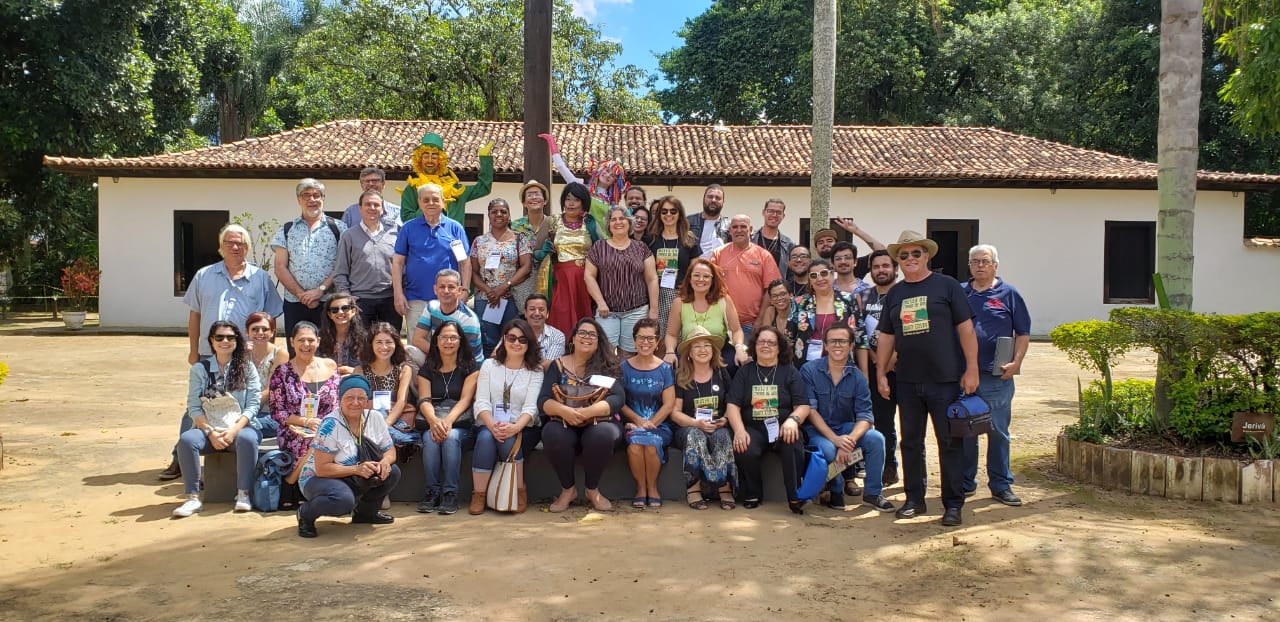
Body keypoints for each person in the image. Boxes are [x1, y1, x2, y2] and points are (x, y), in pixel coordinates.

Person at [875, 230, 980, 527]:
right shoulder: (895, 293)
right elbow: (886, 336)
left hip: (944, 380)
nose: (909, 259)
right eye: (903, 255)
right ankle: (914, 499)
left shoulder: (946, 287)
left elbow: (966, 329)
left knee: (949, 442)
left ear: (927, 256)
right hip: (907, 380)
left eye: (915, 254)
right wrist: (881, 372)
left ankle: (953, 504)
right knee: (910, 442)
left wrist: (971, 368)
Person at [164, 223, 281, 481]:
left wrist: (261, 345)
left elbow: (269, 317)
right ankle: (180, 458)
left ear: (248, 248)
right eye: (230, 243)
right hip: (210, 354)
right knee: (197, 404)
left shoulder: (260, 278)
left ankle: (232, 448)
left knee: (238, 404)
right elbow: (194, 315)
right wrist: (193, 350)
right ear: (220, 247)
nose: (235, 247)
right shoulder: (204, 276)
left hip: (243, 357)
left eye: (240, 243)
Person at [961, 244, 1031, 507]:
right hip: (964, 374)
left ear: (995, 265)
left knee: (998, 431)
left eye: (985, 261)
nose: (980, 265)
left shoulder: (1009, 294)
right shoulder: (960, 292)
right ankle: (966, 482)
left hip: (995, 375)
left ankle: (1001, 485)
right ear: (969, 265)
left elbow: (1022, 332)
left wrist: (1016, 362)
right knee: (965, 430)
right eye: (975, 261)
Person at [799, 323, 896, 513]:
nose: (837, 345)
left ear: (851, 345)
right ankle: (836, 489)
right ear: (825, 345)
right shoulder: (809, 370)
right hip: (817, 430)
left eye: (842, 341)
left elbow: (865, 416)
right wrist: (835, 440)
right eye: (833, 341)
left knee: (876, 439)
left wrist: (849, 440)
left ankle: (873, 493)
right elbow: (810, 411)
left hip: (845, 429)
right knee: (827, 449)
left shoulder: (858, 377)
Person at [172, 321, 262, 517]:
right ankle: (192, 498)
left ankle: (243, 494)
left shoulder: (247, 368)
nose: (225, 341)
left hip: (240, 429)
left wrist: (233, 432)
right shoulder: (199, 369)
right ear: (211, 341)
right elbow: (193, 407)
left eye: (230, 337)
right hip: (210, 430)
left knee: (247, 439)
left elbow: (253, 405)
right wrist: (210, 432)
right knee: (186, 441)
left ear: (237, 341)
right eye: (219, 337)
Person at [296, 374, 400, 538]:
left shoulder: (375, 417)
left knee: (392, 472)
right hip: (319, 478)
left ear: (367, 401)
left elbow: (390, 450)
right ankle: (305, 514)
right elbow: (322, 469)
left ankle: (365, 514)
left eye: (361, 398)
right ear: (340, 399)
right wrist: (356, 469)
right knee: (342, 500)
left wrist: (385, 462)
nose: (355, 402)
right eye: (349, 397)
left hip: (354, 473)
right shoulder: (330, 424)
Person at [538, 318, 626, 513]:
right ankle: (568, 490)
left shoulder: (607, 366)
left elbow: (618, 398)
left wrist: (587, 412)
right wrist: (565, 411)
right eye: (582, 333)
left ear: (598, 340)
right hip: (564, 420)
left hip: (598, 421)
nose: (587, 337)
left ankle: (592, 490)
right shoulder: (558, 366)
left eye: (592, 334)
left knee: (602, 434)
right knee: (553, 433)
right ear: (573, 338)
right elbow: (543, 400)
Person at [725, 326, 810, 513]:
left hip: (783, 427)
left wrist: (792, 421)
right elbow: (732, 405)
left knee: (793, 441)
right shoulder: (745, 372)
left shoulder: (789, 371)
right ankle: (752, 492)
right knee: (743, 446)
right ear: (754, 346)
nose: (766, 346)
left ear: (779, 347)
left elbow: (803, 405)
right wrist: (739, 430)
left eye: (771, 342)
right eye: (761, 342)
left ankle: (795, 496)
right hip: (753, 427)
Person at [471, 318, 545, 514]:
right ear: (503, 339)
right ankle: (479, 494)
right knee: (487, 437)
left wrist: (514, 427)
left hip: (524, 427)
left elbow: (531, 408)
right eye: (511, 338)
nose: (516, 343)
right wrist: (492, 424)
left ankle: (517, 490)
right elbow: (481, 402)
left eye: (522, 339)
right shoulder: (489, 365)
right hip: (489, 423)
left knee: (506, 438)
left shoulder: (535, 370)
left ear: (529, 343)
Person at [269, 321, 341, 510]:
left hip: (329, 426)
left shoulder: (330, 366)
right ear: (292, 342)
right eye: (301, 340)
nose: (306, 345)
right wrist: (306, 422)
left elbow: (338, 403)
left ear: (318, 341)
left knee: (322, 436)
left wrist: (324, 424)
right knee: (313, 439)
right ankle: (301, 485)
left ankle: (291, 482)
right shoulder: (282, 372)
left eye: (311, 340)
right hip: (294, 428)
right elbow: (277, 410)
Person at [414, 321, 479, 515]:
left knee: (450, 439)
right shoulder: (427, 369)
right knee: (429, 439)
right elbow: (424, 399)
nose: (448, 342)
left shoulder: (471, 367)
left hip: (461, 423)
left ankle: (450, 493)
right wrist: (434, 422)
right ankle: (432, 491)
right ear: (436, 341)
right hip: (434, 419)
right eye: (443, 337)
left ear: (460, 341)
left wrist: (448, 421)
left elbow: (466, 399)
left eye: (453, 337)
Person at [669, 326, 737, 511]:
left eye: (707, 345)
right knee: (695, 436)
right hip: (688, 426)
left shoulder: (722, 373)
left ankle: (724, 487)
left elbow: (733, 404)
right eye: (696, 346)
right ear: (689, 353)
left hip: (718, 424)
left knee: (722, 436)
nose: (702, 350)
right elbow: (675, 413)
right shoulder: (681, 376)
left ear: (713, 350)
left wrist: (724, 419)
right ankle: (693, 488)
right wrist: (696, 423)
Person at [272, 179, 346, 346]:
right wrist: (301, 295)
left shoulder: (339, 228)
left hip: (329, 303)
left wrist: (319, 291)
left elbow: (342, 265)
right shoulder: (287, 229)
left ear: (323, 198)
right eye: (306, 195)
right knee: (297, 349)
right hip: (295, 303)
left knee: (328, 349)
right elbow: (280, 267)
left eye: (316, 195)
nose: (312, 200)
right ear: (299, 200)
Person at [392, 183, 472, 329]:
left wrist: (465, 291)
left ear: (443, 201)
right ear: (419, 203)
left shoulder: (455, 228)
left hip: (448, 299)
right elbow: (397, 262)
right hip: (416, 299)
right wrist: (398, 293)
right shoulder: (408, 228)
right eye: (426, 200)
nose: (431, 203)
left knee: (447, 345)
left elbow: (465, 262)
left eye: (435, 199)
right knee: (416, 347)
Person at [585, 205, 659, 357]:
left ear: (629, 222)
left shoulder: (641, 248)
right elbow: (589, 276)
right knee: (606, 353)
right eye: (613, 219)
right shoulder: (599, 247)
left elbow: (652, 279)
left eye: (622, 218)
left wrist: (653, 310)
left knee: (630, 354)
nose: (618, 222)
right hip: (607, 312)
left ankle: (625, 381)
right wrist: (600, 303)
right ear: (609, 225)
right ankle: (608, 381)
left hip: (636, 311)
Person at [856, 249, 902, 486]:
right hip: (876, 368)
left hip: (904, 368)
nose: (881, 270)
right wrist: (878, 360)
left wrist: (892, 358)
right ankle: (888, 467)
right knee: (883, 422)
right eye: (876, 267)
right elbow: (861, 334)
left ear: (895, 269)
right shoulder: (862, 296)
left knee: (911, 424)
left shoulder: (905, 293)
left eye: (886, 266)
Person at [621, 319, 676, 509]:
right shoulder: (623, 368)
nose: (645, 342)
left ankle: (652, 488)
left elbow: (669, 404)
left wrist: (650, 423)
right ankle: (641, 488)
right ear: (634, 340)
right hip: (632, 424)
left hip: (659, 424)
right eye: (641, 338)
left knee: (651, 443)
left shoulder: (665, 369)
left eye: (650, 338)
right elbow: (619, 402)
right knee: (635, 444)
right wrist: (638, 421)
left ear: (657, 341)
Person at [535, 183, 602, 335]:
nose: (571, 203)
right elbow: (536, 252)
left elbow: (602, 252)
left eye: (576, 200)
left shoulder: (590, 222)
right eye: (568, 199)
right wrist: (543, 252)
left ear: (583, 203)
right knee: (560, 318)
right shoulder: (552, 221)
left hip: (585, 280)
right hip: (560, 279)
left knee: (584, 321)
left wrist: (594, 235)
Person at [470, 198, 533, 354]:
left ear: (509, 216)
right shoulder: (479, 241)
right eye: (494, 211)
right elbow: (473, 271)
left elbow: (526, 267)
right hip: (486, 299)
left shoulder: (519, 239)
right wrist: (489, 290)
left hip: (511, 298)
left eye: (503, 211)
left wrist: (503, 288)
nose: (499, 214)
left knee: (512, 340)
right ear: (489, 215)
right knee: (489, 343)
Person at [663, 258, 749, 369]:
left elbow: (736, 330)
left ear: (713, 280)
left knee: (737, 364)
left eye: (706, 276)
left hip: (720, 353)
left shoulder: (723, 300)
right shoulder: (679, 303)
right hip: (690, 354)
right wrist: (670, 352)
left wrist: (739, 348)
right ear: (689, 278)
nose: (701, 279)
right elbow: (671, 334)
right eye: (696, 275)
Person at [334, 190, 402, 331]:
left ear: (382, 209)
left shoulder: (395, 234)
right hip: (360, 301)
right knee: (361, 347)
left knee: (389, 346)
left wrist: (400, 294)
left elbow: (403, 267)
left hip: (390, 300)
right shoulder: (349, 236)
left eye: (376, 205)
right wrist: (347, 299)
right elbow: (340, 271)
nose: (372, 208)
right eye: (368, 204)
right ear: (360, 208)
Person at [788, 259, 866, 371]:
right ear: (809, 279)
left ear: (832, 274)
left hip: (841, 364)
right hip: (807, 366)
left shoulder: (848, 300)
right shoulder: (800, 303)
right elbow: (788, 339)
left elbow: (861, 337)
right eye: (814, 276)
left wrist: (864, 373)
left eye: (824, 273)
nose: (819, 279)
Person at [711, 214, 782, 336]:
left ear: (750, 230)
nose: (739, 230)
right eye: (735, 227)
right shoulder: (718, 253)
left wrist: (760, 320)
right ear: (730, 230)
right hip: (721, 323)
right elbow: (709, 285)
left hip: (751, 324)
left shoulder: (764, 256)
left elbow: (771, 290)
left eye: (743, 226)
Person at [400, 132, 494, 223]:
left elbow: (483, 188)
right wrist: (429, 207)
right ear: (419, 160)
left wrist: (484, 159)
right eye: (425, 156)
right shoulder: (412, 189)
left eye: (434, 157)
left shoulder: (456, 191)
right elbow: (407, 219)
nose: (430, 160)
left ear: (440, 161)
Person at [643, 195, 698, 341]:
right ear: (659, 214)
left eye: (673, 211)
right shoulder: (650, 239)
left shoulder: (689, 239)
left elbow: (695, 270)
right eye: (664, 211)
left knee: (681, 338)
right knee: (658, 339)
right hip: (656, 296)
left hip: (681, 295)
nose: (668, 215)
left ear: (679, 214)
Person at [353, 322, 416, 448]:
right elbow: (357, 401)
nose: (384, 347)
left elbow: (401, 401)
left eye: (389, 342)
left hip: (394, 421)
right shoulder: (360, 370)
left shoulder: (403, 369)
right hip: (367, 421)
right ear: (371, 345)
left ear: (396, 344)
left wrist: (385, 424)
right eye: (379, 342)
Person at [541, 132, 631, 214]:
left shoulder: (612, 203)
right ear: (600, 170)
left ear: (615, 182)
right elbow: (561, 167)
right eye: (607, 170)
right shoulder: (582, 187)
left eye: (612, 176)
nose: (607, 175)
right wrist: (551, 142)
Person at [409, 270, 483, 366]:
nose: (446, 291)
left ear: (459, 290)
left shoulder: (469, 319)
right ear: (435, 289)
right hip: (440, 357)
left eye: (451, 287)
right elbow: (417, 339)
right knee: (409, 352)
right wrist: (437, 356)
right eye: (442, 287)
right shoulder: (432, 307)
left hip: (466, 366)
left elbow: (466, 356)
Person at [510, 180, 553, 311]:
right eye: (529, 195)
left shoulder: (553, 223)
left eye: (537, 194)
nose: (534, 197)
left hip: (547, 278)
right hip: (524, 280)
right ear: (524, 203)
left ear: (544, 200)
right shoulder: (514, 227)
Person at [245, 312, 287, 440]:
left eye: (265, 329)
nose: (260, 333)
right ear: (247, 332)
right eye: (255, 329)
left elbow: (269, 391)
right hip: (246, 410)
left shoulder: (280, 354)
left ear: (272, 332)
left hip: (271, 414)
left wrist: (244, 414)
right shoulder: (243, 353)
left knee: (238, 426)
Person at [319, 292, 369, 375]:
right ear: (329, 315)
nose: (340, 312)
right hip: (326, 383)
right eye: (334, 310)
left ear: (353, 311)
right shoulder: (319, 338)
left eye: (345, 308)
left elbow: (372, 370)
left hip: (356, 383)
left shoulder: (365, 339)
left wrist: (352, 371)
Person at [751, 198, 796, 280]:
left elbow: (791, 274)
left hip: (776, 290)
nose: (774, 215)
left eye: (778, 212)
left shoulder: (789, 245)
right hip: (753, 287)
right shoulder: (750, 239)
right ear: (763, 212)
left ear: (783, 216)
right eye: (770, 211)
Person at [524, 293, 565, 369]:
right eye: (532, 309)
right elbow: (496, 354)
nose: (537, 313)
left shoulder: (557, 336)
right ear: (525, 313)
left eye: (541, 309)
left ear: (547, 314)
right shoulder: (515, 332)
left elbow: (548, 366)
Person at [689, 184, 730, 258]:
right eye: (710, 197)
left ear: (723, 202)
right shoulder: (688, 222)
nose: (713, 200)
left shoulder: (729, 225)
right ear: (703, 199)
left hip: (720, 269)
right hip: (694, 268)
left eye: (718, 198)